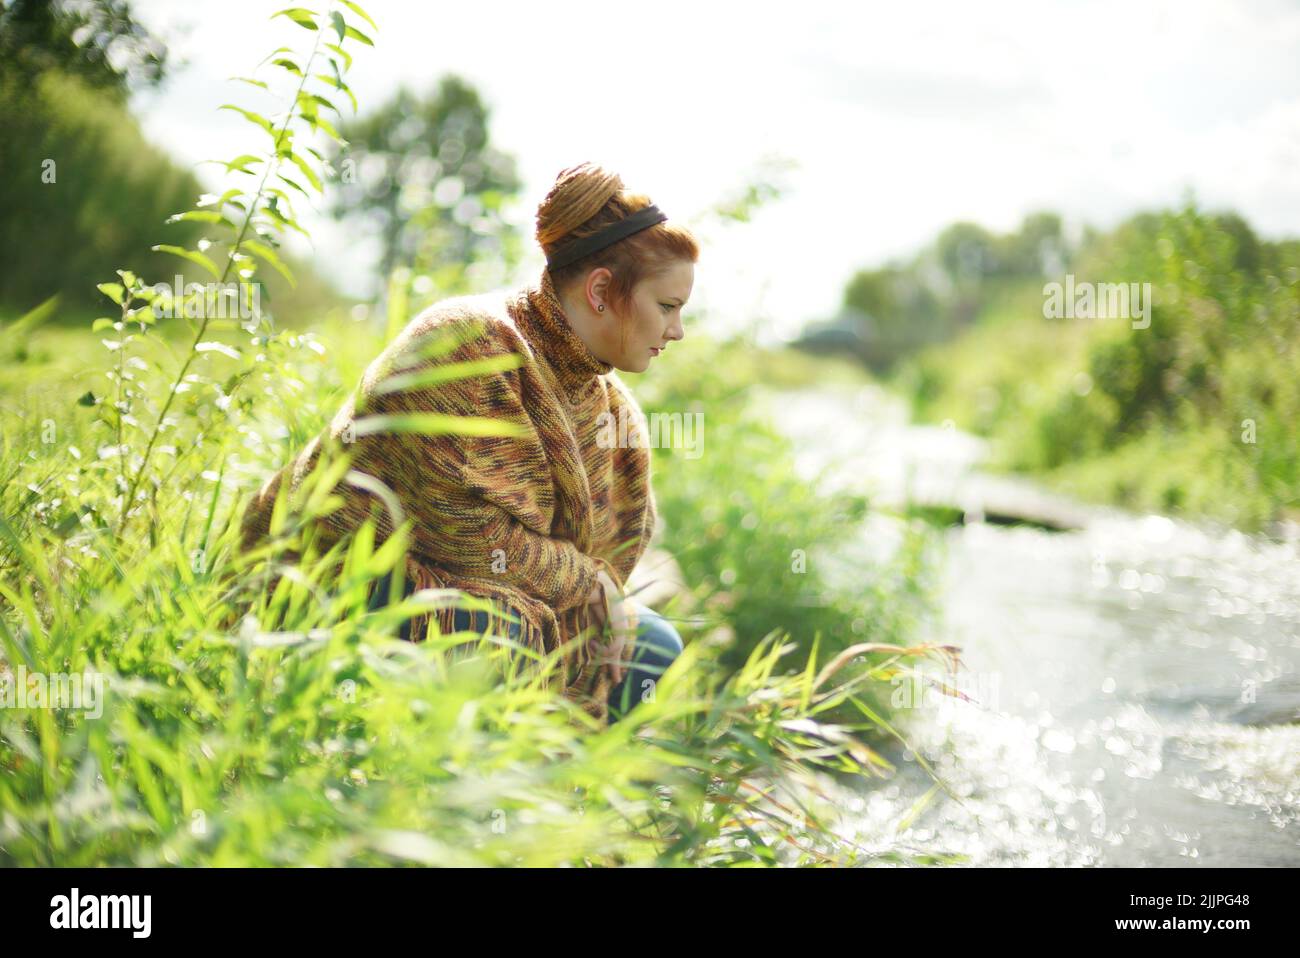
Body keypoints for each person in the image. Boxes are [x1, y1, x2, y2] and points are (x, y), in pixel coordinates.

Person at [240, 161, 698, 724]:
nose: (676, 331)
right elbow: (468, 539)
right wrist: (590, 582)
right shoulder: (467, 340)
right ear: (603, 289)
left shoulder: (609, 404)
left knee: (651, 647)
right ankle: (434, 799)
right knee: (495, 635)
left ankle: (553, 796)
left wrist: (602, 597)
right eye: (668, 307)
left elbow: (618, 542)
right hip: (334, 576)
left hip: (491, 595)